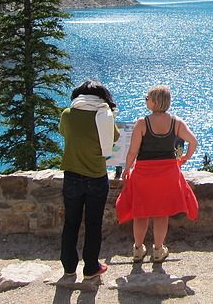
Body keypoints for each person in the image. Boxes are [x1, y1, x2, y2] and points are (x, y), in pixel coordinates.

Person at [115, 86, 198, 263]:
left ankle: (138, 249)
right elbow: (193, 141)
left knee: (141, 212)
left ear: (155, 101)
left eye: (148, 98)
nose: (146, 100)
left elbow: (132, 151)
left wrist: (127, 168)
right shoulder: (176, 122)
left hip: (144, 172)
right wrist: (184, 158)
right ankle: (158, 250)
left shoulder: (142, 123)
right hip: (167, 173)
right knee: (161, 213)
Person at [59, 80, 120, 279]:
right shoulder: (105, 116)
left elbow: (63, 133)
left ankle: (69, 267)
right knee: (93, 225)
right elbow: (115, 137)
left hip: (72, 175)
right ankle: (91, 267)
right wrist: (110, 117)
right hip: (96, 176)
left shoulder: (68, 115)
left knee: (71, 223)